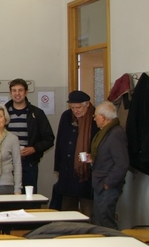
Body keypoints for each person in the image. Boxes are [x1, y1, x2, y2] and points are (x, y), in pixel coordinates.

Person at [4, 78, 55, 193]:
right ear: (10, 92)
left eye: (20, 90)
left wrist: (34, 149)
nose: (17, 94)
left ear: (26, 92)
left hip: (28, 163)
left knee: (28, 197)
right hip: (7, 163)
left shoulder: (37, 113)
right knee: (7, 197)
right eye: (14, 90)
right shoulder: (2, 113)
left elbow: (49, 138)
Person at [54, 90, 98, 217]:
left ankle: (88, 235)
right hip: (68, 170)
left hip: (87, 172)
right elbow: (60, 142)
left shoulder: (95, 118)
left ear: (87, 104)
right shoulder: (66, 116)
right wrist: (58, 167)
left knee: (88, 210)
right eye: (72, 107)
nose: (75, 111)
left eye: (78, 107)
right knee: (67, 209)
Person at [89, 101, 129, 229]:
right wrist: (93, 159)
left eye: (96, 116)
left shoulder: (115, 133)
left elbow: (122, 163)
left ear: (103, 117)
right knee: (99, 220)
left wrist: (107, 183)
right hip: (100, 183)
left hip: (107, 185)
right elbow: (107, 157)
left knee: (105, 221)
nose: (94, 119)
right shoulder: (105, 132)